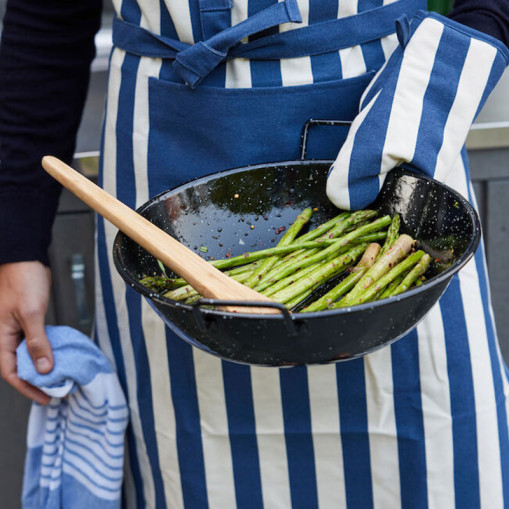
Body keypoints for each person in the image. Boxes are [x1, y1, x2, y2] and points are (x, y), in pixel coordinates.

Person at [1, 0, 509, 507]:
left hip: (390, 136)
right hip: (164, 128)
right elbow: (48, 16)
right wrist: (16, 241)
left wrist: (439, 85)